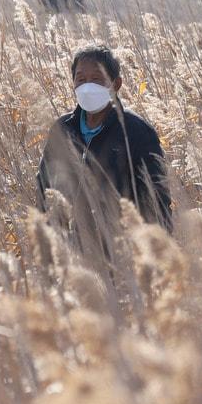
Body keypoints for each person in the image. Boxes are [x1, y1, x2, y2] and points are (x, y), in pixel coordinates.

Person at [37, 44, 173, 258]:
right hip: (71, 251)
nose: (87, 87)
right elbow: (44, 188)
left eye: (97, 79)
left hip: (121, 252)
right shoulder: (63, 129)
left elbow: (156, 199)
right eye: (81, 79)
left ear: (116, 84)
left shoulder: (136, 132)